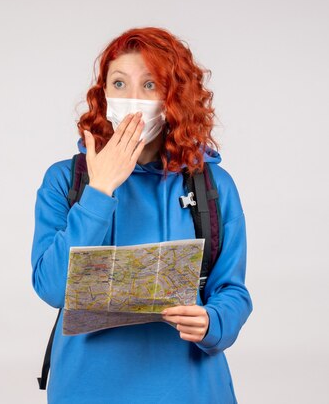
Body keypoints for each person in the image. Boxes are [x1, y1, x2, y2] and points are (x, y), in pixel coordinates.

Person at [30, 27, 252, 404]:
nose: (133, 100)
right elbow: (52, 288)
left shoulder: (212, 185)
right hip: (88, 390)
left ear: (173, 98)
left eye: (150, 86)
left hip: (190, 389)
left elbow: (232, 291)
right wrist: (100, 191)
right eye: (119, 83)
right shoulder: (64, 180)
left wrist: (212, 322)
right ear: (103, 95)